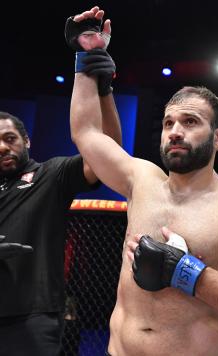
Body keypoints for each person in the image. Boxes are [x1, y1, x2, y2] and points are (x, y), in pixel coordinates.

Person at [69, 6, 218, 356]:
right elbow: (86, 132)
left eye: (190, 122)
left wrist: (189, 274)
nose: (176, 132)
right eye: (168, 124)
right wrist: (85, 59)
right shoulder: (141, 179)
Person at [0, 15, 121, 355]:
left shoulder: (49, 175)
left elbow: (107, 152)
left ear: (28, 141)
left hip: (32, 317)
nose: (2, 147)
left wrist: (99, 80)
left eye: (10, 138)